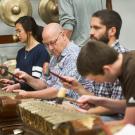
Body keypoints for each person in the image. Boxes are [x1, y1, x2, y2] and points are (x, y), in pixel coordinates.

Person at [62, 10, 128, 120]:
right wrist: (78, 88)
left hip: (118, 118)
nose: (91, 32)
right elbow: (100, 100)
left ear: (112, 31)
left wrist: (80, 112)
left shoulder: (120, 59)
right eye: (91, 27)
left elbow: (117, 107)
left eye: (96, 28)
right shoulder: (98, 56)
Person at [12, 23, 90, 99]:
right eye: (46, 44)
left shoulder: (74, 56)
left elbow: (59, 90)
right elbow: (44, 84)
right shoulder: (55, 56)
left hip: (75, 107)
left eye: (52, 43)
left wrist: (28, 94)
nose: (50, 48)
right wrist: (26, 77)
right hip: (59, 103)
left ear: (63, 35)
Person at [76, 40, 135, 125]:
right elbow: (128, 106)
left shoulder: (132, 71)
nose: (98, 83)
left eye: (96, 80)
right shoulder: (126, 62)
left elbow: (129, 123)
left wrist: (89, 126)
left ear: (106, 69)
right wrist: (98, 100)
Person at [1, 16, 50, 91]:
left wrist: (17, 86)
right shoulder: (20, 52)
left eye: (19, 31)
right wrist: (12, 82)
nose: (17, 34)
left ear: (29, 31)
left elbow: (37, 82)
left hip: (35, 96)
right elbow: (20, 80)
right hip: (21, 93)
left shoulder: (41, 51)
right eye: (16, 31)